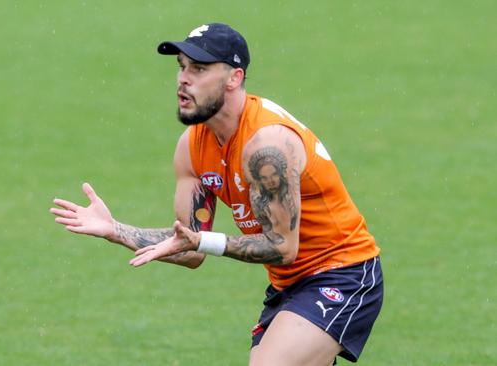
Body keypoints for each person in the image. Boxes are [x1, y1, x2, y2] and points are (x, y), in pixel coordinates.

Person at [50, 23, 383, 366]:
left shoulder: (268, 147)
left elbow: (282, 247)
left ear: (234, 78)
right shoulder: (192, 148)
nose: (183, 79)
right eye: (181, 67)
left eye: (199, 69)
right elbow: (189, 246)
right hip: (288, 285)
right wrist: (114, 230)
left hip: (343, 273)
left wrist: (203, 242)